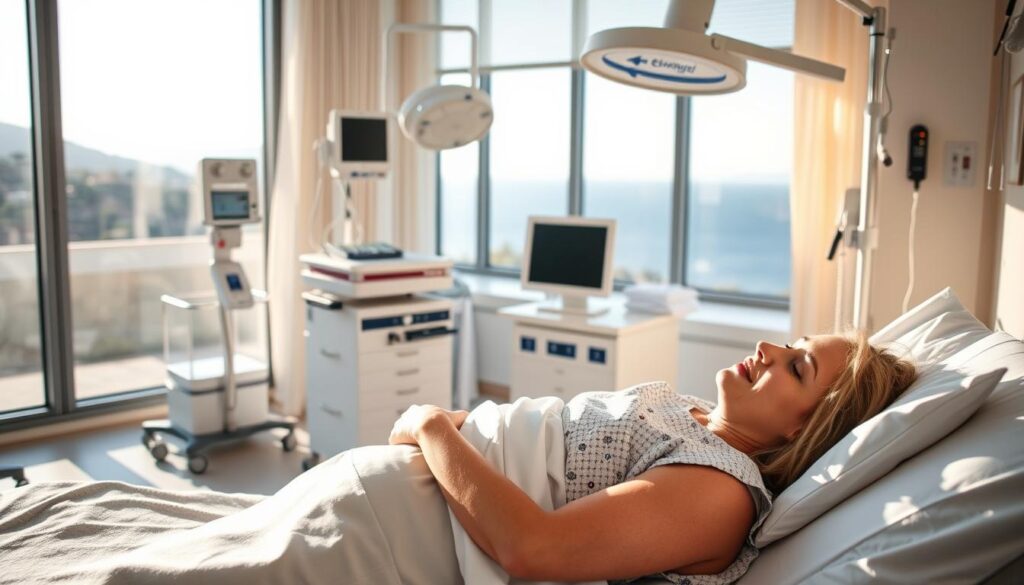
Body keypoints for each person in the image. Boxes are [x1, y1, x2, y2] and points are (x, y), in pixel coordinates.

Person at [388, 332, 917, 584]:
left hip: (416, 532)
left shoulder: (720, 493)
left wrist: (432, 426)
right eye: (791, 343)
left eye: (797, 367)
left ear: (804, 430)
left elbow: (533, 548)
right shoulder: (698, 416)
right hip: (428, 485)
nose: (767, 348)